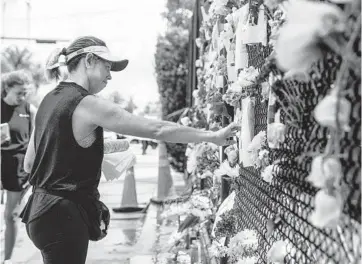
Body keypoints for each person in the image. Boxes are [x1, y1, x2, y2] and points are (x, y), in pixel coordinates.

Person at [21, 35, 240, 264]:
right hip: (63, 216)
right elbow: (156, 129)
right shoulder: (86, 103)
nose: (109, 76)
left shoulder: (48, 100)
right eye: (107, 67)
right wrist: (212, 137)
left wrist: (89, 152)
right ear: (88, 61)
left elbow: (30, 163)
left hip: (39, 213)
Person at [1, 70, 36, 264]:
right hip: (0, 163)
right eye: (18, 93)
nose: (22, 97)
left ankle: (7, 260)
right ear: (7, 88)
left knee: (11, 215)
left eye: (25, 93)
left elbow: (37, 141)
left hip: (19, 169)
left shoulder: (29, 109)